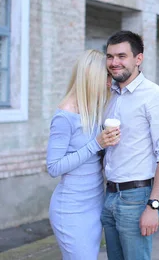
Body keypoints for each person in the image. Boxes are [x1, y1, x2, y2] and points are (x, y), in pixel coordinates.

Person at [101, 30, 159, 260]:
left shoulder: (154, 97)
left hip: (136, 198)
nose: (114, 63)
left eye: (121, 56)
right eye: (110, 56)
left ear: (138, 58)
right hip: (110, 195)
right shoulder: (110, 95)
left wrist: (153, 206)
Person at [46, 49, 121, 260]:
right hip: (71, 209)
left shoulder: (94, 110)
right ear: (92, 77)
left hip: (94, 203)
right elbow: (53, 167)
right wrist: (96, 144)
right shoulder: (64, 116)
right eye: (106, 76)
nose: (110, 82)